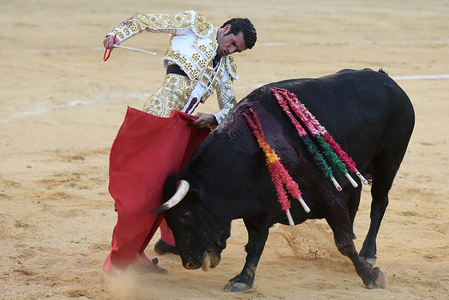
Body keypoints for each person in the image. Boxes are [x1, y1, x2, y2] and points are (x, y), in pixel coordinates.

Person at [102, 10, 257, 275]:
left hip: (182, 128)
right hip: (158, 118)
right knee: (145, 190)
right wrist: (117, 34)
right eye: (232, 43)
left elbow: (229, 105)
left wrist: (213, 116)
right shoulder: (195, 26)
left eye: (237, 50)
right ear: (226, 28)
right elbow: (147, 21)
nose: (230, 50)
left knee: (170, 185)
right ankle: (126, 257)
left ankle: (166, 241)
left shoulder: (226, 66)